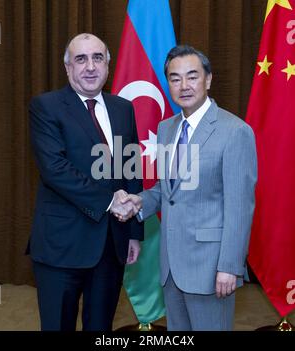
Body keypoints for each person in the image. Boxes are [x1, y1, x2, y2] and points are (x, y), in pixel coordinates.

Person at [121, 45, 257, 331]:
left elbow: (239, 207)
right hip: (171, 265)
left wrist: (230, 266)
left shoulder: (235, 132)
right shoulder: (166, 129)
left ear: (208, 80)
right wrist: (139, 202)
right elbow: (166, 191)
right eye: (175, 78)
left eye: (192, 77)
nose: (184, 86)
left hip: (211, 268)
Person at [27, 33, 143, 331]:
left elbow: (130, 169)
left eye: (97, 58)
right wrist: (109, 201)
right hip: (61, 246)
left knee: (101, 328)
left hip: (111, 244)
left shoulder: (122, 108)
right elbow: (55, 169)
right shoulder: (46, 106)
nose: (90, 67)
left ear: (107, 65)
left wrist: (134, 231)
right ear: (68, 68)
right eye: (81, 59)